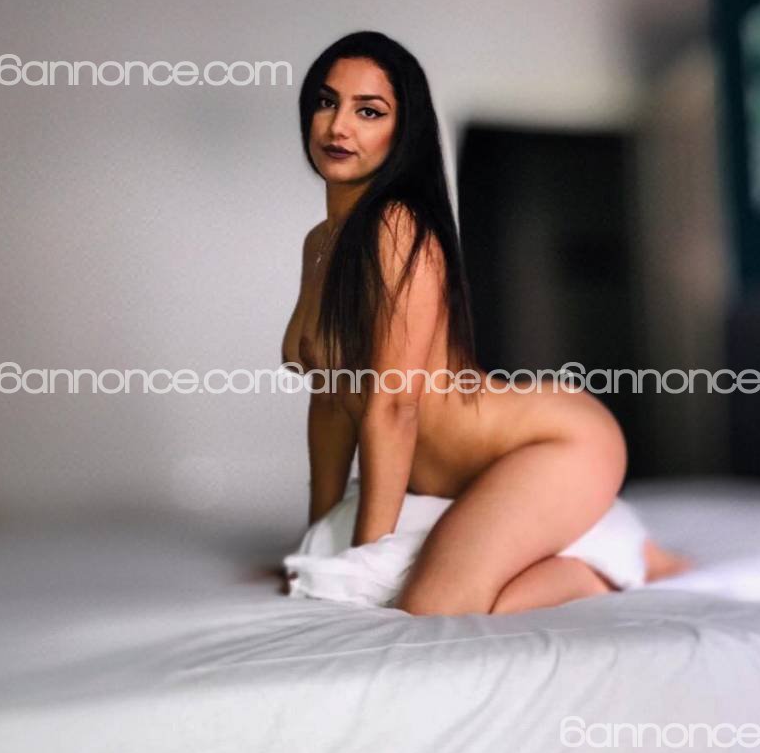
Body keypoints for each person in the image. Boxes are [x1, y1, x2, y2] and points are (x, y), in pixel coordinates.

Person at [281, 31, 689, 615]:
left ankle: (602, 568)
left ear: (403, 131)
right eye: (327, 102)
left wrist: (364, 560)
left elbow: (393, 404)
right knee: (424, 588)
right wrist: (314, 543)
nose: (339, 126)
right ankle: (595, 534)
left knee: (435, 605)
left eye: (368, 111)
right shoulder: (319, 245)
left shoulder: (398, 227)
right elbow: (328, 406)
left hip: (551, 442)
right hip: (463, 475)